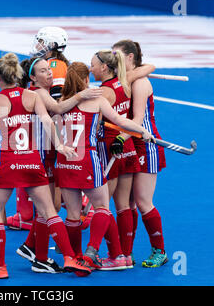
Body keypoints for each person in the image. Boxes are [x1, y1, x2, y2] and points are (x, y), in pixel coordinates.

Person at [0, 53, 92, 279]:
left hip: (8, 162)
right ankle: (69, 257)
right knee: (50, 211)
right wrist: (59, 145)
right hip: (32, 162)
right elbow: (48, 122)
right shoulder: (32, 96)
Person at [55, 62, 154, 271]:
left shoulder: (62, 102)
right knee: (102, 207)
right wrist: (142, 131)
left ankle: (75, 257)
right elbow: (119, 120)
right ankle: (92, 250)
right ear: (85, 80)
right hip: (86, 159)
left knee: (72, 214)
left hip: (64, 161)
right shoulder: (96, 100)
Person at [15, 57, 102, 273]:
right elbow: (59, 108)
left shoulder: (39, 92)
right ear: (33, 77)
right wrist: (81, 95)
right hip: (44, 155)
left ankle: (32, 248)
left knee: (50, 206)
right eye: (43, 71)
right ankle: (39, 255)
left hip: (49, 154)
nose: (50, 74)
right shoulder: (39, 93)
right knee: (49, 207)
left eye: (49, 69)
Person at [90, 49, 155, 268]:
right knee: (123, 205)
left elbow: (91, 119)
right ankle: (125, 255)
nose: (91, 69)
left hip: (109, 148)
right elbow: (146, 69)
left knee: (102, 205)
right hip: (126, 147)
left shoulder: (104, 93)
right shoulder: (124, 84)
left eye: (93, 66)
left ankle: (115, 256)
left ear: (104, 68)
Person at [7, 26, 71, 230]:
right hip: (49, 130)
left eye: (42, 42)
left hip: (50, 132)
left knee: (41, 173)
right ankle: (33, 218)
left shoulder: (55, 65)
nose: (38, 46)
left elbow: (57, 102)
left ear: (52, 45)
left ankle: (34, 216)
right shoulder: (54, 64)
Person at [112, 39, 168, 267]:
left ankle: (160, 251)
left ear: (130, 58)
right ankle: (126, 253)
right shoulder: (124, 80)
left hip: (146, 144)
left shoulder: (139, 83)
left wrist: (119, 138)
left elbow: (136, 120)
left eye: (117, 55)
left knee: (144, 201)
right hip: (130, 144)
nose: (113, 59)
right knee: (129, 202)